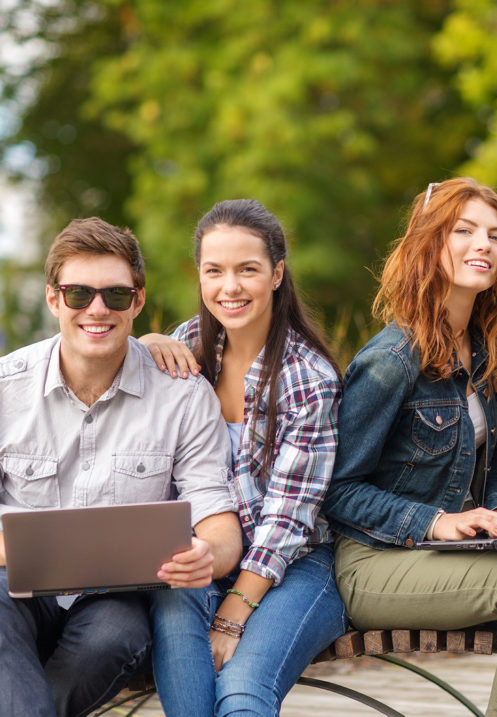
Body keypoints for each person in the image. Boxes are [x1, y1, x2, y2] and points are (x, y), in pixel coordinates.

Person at [0, 218, 242, 717]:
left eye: (115, 296)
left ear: (138, 302)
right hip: (19, 586)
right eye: (78, 294)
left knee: (117, 632)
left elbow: (218, 519)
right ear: (54, 299)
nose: (96, 309)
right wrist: (27, 553)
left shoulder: (184, 397)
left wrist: (210, 554)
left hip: (115, 599)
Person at [322, 178, 497, 717]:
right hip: (376, 560)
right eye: (464, 231)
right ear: (431, 243)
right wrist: (434, 521)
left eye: (496, 236)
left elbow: (494, 460)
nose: (484, 245)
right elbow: (337, 491)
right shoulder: (392, 360)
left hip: (454, 553)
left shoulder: (480, 347)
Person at [138, 199, 347, 716]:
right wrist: (143, 342)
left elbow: (289, 518)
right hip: (202, 559)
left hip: (295, 566)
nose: (229, 288)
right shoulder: (184, 348)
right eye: (215, 271)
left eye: (247, 270)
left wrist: (234, 613)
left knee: (242, 694)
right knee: (172, 601)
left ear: (277, 274)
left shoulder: (307, 377)